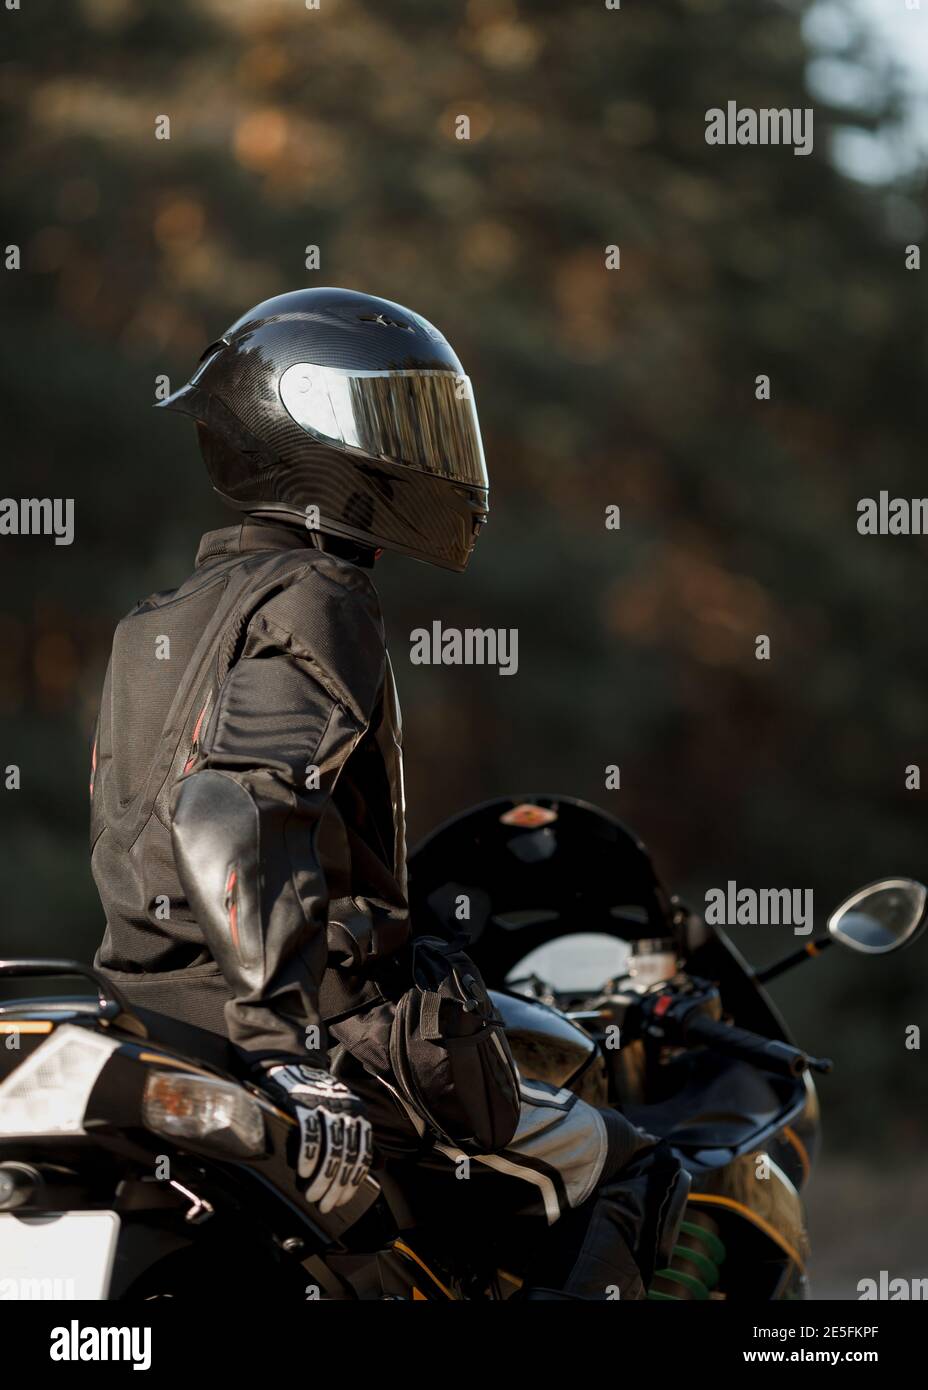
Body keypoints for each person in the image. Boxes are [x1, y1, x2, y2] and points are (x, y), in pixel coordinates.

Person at [90, 287, 686, 1296]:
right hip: (311, 1025)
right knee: (627, 1163)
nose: (429, 452)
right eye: (398, 421)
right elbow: (223, 811)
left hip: (150, 1014)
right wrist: (290, 1049)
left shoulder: (163, 615)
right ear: (310, 428)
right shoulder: (324, 595)